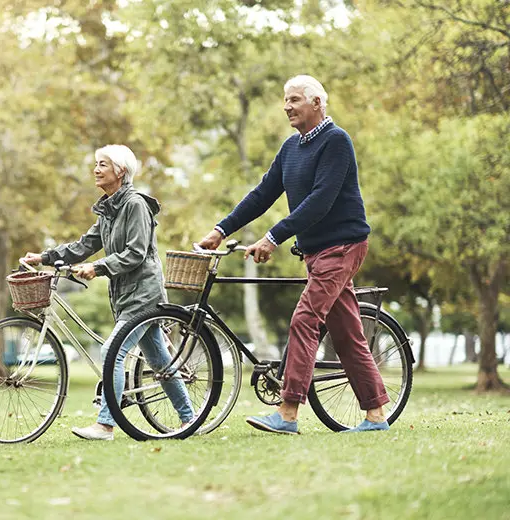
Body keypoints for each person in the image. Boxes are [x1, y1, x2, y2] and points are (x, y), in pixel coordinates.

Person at [198, 75, 390, 434]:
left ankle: (287, 413)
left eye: (295, 99)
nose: (287, 106)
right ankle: (377, 416)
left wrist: (273, 237)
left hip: (342, 246)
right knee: (347, 335)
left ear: (317, 103)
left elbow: (320, 200)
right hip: (317, 252)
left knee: (305, 320)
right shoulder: (291, 147)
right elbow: (262, 194)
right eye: (285, 100)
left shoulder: (336, 141)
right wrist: (221, 229)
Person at [21, 144, 194, 441]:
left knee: (111, 352)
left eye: (102, 164)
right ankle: (190, 419)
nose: (96, 169)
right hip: (127, 294)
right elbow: (84, 245)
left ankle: (106, 424)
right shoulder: (109, 209)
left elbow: (137, 252)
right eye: (96, 164)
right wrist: (45, 257)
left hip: (145, 294)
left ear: (120, 171)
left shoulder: (135, 205)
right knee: (160, 361)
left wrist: (98, 267)